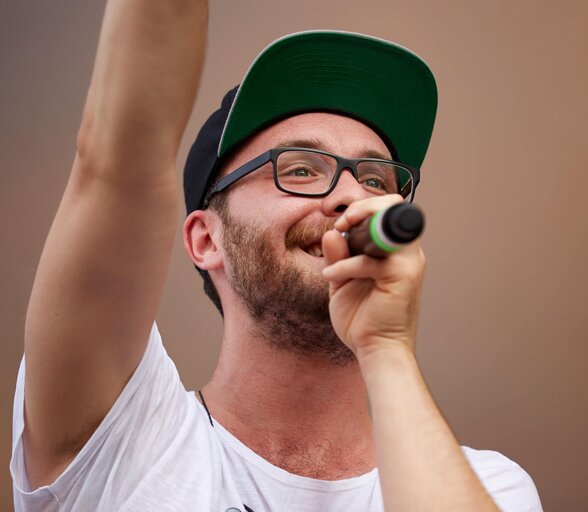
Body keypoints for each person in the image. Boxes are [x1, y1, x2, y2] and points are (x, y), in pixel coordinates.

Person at [11, 1, 543, 511]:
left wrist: (385, 348)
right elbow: (119, 154)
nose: (352, 197)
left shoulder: (489, 486)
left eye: (377, 180)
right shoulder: (126, 439)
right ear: (205, 239)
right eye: (302, 169)